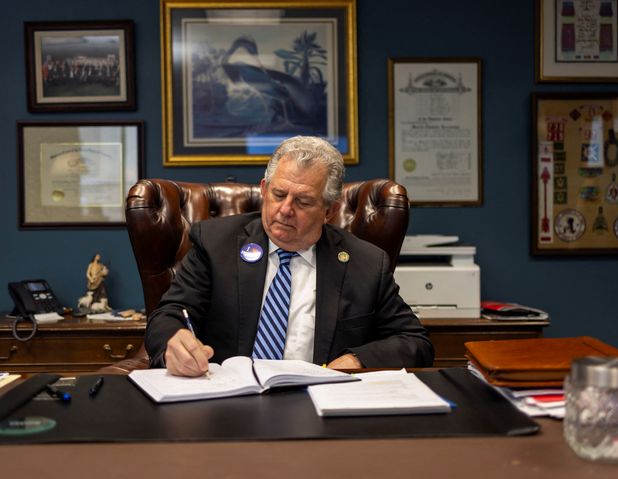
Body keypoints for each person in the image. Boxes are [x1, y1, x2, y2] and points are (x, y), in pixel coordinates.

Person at [145, 136, 434, 376]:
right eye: (279, 194)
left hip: (319, 406)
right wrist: (174, 339)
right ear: (263, 189)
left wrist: (357, 359)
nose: (285, 210)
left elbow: (414, 342)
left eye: (303, 201)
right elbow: (168, 315)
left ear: (329, 211)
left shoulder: (366, 263)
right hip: (228, 401)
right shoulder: (216, 244)